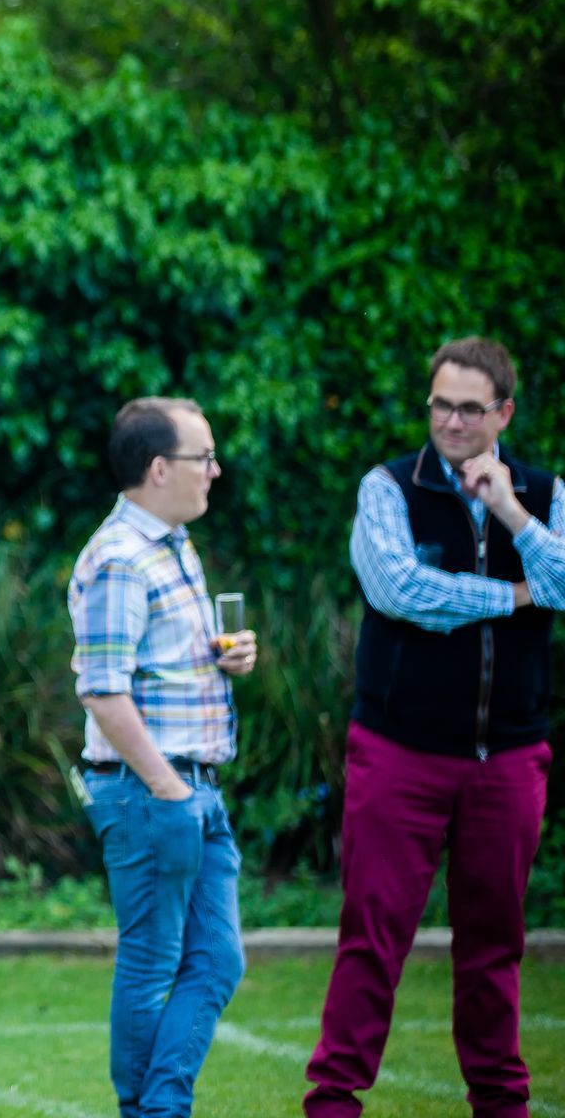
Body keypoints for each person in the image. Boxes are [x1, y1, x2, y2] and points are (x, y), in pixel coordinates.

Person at [305, 336, 561, 1118]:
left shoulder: (546, 494)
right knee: (372, 934)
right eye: (440, 404)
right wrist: (515, 597)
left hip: (509, 757)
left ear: (504, 413)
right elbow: (400, 591)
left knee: (496, 941)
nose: (450, 421)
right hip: (398, 751)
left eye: (469, 408)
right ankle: (335, 1101)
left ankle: (500, 1102)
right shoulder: (386, 487)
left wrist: (510, 510)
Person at [67, 397, 257, 1118]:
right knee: (151, 965)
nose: (214, 470)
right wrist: (170, 788)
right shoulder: (120, 559)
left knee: (218, 960)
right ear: (157, 468)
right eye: (201, 457)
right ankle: (151, 1112)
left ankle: (160, 1106)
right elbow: (103, 691)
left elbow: (150, 668)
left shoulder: (172, 544)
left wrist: (221, 661)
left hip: (190, 789)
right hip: (154, 793)